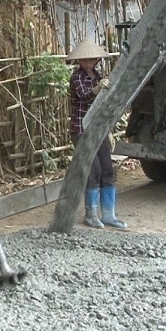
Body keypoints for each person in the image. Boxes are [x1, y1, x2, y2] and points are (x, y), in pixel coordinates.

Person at [65, 38, 126, 230]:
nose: (88, 63)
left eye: (92, 60)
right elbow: (84, 95)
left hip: (98, 130)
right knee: (93, 171)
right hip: (82, 130)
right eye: (85, 60)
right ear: (79, 61)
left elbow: (104, 105)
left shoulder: (99, 76)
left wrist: (108, 130)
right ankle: (91, 214)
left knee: (107, 169)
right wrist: (98, 89)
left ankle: (109, 214)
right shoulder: (77, 78)